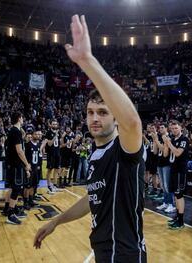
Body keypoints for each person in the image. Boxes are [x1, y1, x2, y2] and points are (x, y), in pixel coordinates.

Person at [34, 15, 146, 262]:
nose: (95, 118)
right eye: (90, 112)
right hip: (103, 250)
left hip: (124, 254)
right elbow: (92, 198)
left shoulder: (123, 149)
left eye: (103, 112)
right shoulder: (96, 153)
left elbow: (133, 123)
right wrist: (57, 221)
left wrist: (87, 61)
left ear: (115, 117)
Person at [5, 112, 32, 224]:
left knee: (15, 188)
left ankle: (13, 209)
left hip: (13, 165)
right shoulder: (15, 132)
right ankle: (10, 214)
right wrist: (26, 164)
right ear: (19, 118)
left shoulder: (13, 131)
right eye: (22, 118)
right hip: (16, 165)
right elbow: (19, 151)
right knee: (16, 189)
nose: (23, 120)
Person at [166, 121, 190, 230]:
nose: (174, 130)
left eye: (176, 128)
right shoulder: (172, 139)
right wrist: (166, 143)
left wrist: (169, 143)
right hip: (173, 170)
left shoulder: (184, 139)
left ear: (181, 128)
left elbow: (177, 153)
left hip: (180, 171)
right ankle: (177, 216)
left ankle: (181, 221)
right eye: (172, 128)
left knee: (179, 195)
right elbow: (166, 154)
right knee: (176, 195)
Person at [45, 120, 62, 194]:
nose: (55, 125)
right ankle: (48, 187)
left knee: (56, 169)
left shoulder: (59, 133)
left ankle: (54, 185)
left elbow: (59, 144)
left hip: (57, 153)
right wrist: (55, 136)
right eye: (53, 124)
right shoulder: (48, 133)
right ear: (51, 125)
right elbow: (49, 144)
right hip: (51, 154)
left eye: (56, 124)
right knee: (49, 170)